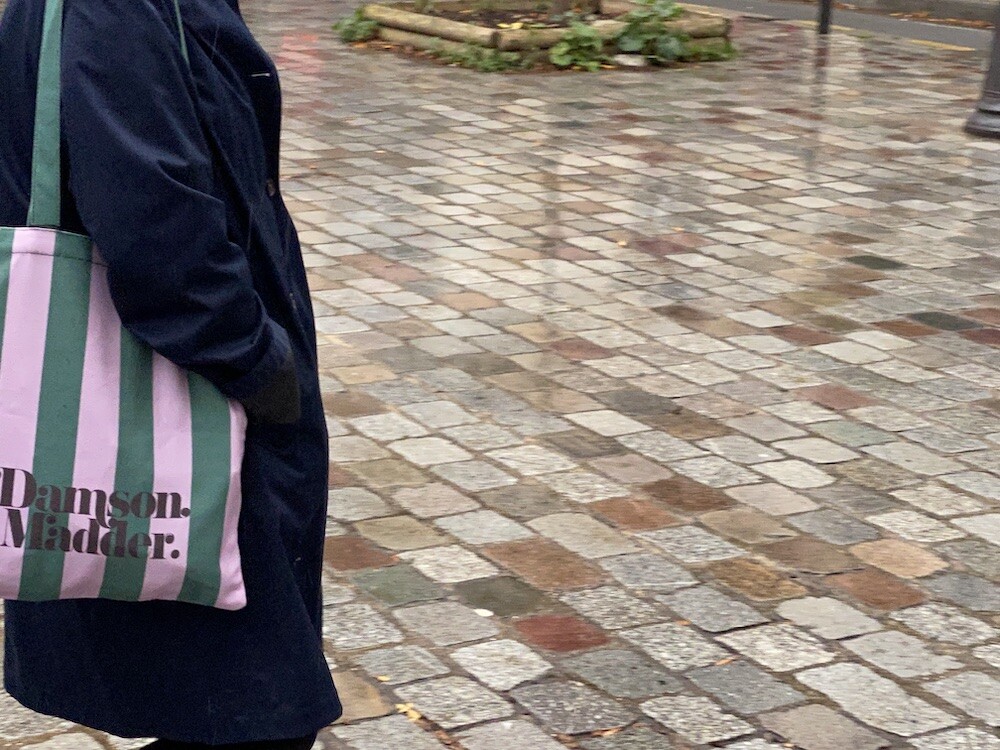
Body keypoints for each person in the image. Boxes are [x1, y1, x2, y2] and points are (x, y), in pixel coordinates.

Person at [0, 0, 341, 747]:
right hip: (182, 414)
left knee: (239, 718)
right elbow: (160, 237)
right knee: (258, 723)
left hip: (179, 404)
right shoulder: (116, 10)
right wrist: (263, 368)